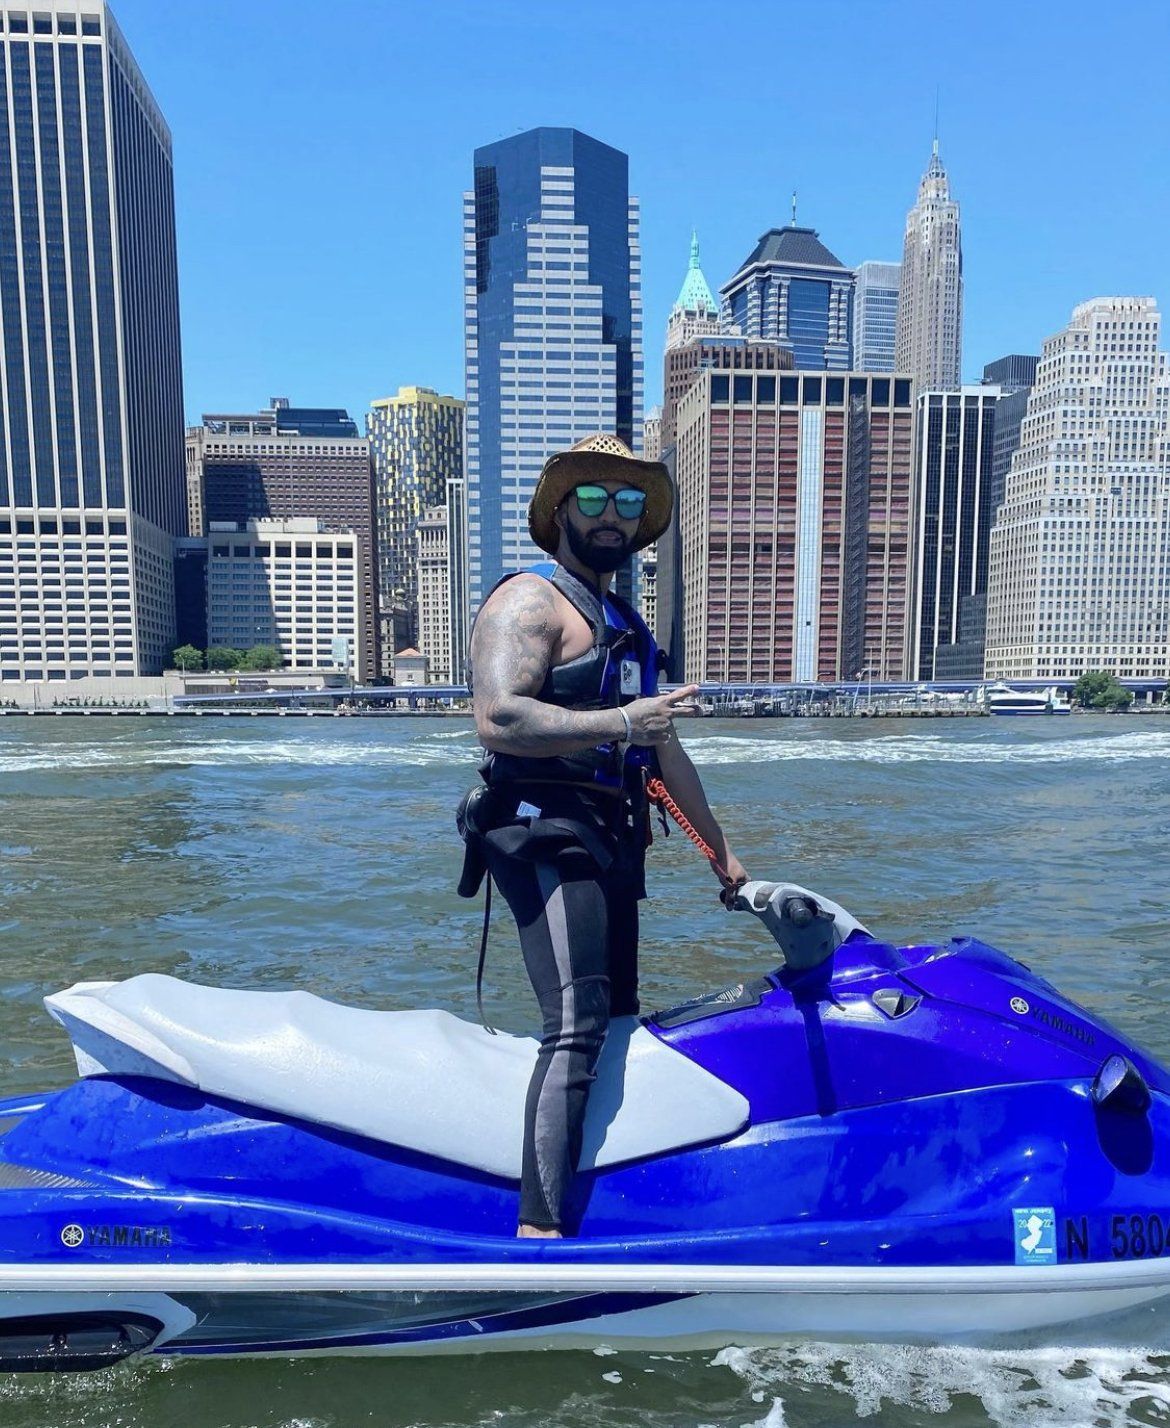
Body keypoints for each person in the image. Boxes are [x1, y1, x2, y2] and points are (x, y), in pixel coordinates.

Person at [467, 433, 748, 1239]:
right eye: (593, 499)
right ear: (560, 512)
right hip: (546, 835)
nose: (612, 516)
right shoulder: (529, 602)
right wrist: (624, 718)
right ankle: (540, 1230)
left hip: (614, 840)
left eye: (628, 503)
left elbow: (665, 748)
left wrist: (725, 859)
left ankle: (612, 1190)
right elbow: (498, 718)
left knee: (621, 1019)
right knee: (577, 1025)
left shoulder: (625, 623)